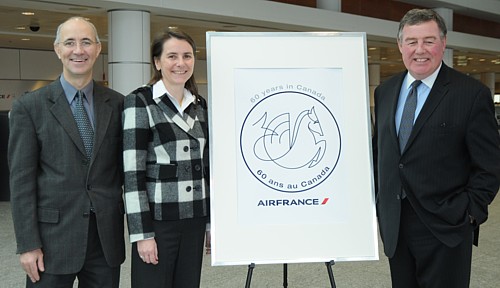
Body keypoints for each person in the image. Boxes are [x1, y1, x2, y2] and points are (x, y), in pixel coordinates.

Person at [373, 8, 500, 288]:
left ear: (443, 43)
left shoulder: (470, 94)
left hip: (446, 227)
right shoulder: (385, 91)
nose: (420, 50)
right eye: (412, 41)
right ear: (400, 45)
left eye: (429, 41)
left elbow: (490, 166)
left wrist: (468, 212)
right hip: (396, 227)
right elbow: (381, 154)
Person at [8, 16, 125, 288]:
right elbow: (21, 182)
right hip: (50, 243)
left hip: (104, 241)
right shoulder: (30, 107)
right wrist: (27, 244)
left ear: (97, 49)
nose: (78, 50)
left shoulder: (118, 104)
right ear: (58, 49)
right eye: (70, 43)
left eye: (86, 42)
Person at [123, 28, 210, 288]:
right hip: (159, 223)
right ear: (157, 62)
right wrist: (142, 234)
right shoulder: (140, 102)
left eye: (187, 56)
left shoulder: (200, 104)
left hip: (194, 219)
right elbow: (132, 174)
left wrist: (209, 226)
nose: (180, 63)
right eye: (172, 56)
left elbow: (206, 168)